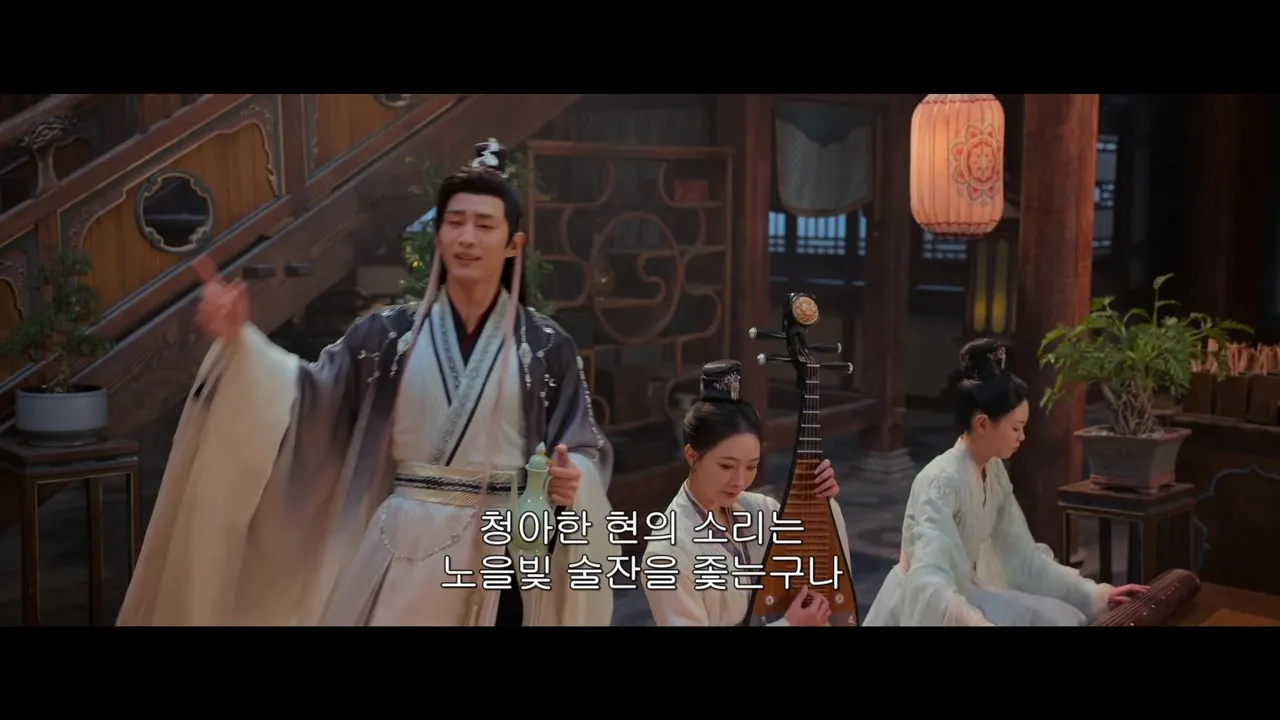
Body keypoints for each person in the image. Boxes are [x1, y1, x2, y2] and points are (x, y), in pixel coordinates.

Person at [118, 139, 618, 626]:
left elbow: (582, 445)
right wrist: (244, 347)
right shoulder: (385, 336)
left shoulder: (546, 345)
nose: (466, 238)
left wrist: (574, 477)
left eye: (484, 225)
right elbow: (309, 397)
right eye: (454, 222)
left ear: (513, 244)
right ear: (438, 235)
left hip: (502, 552)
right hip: (403, 547)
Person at [863, 338, 1148, 626]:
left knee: (1064, 619)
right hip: (928, 606)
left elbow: (1022, 558)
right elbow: (930, 581)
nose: (1022, 437)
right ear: (982, 424)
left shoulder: (994, 470)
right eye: (1015, 428)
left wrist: (1094, 595)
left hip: (965, 592)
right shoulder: (939, 482)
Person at [643, 360, 852, 626]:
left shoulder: (761, 510)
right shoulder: (667, 553)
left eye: (751, 466)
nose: (740, 481)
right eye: (726, 466)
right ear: (692, 455)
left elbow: (820, 566)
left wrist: (821, 502)